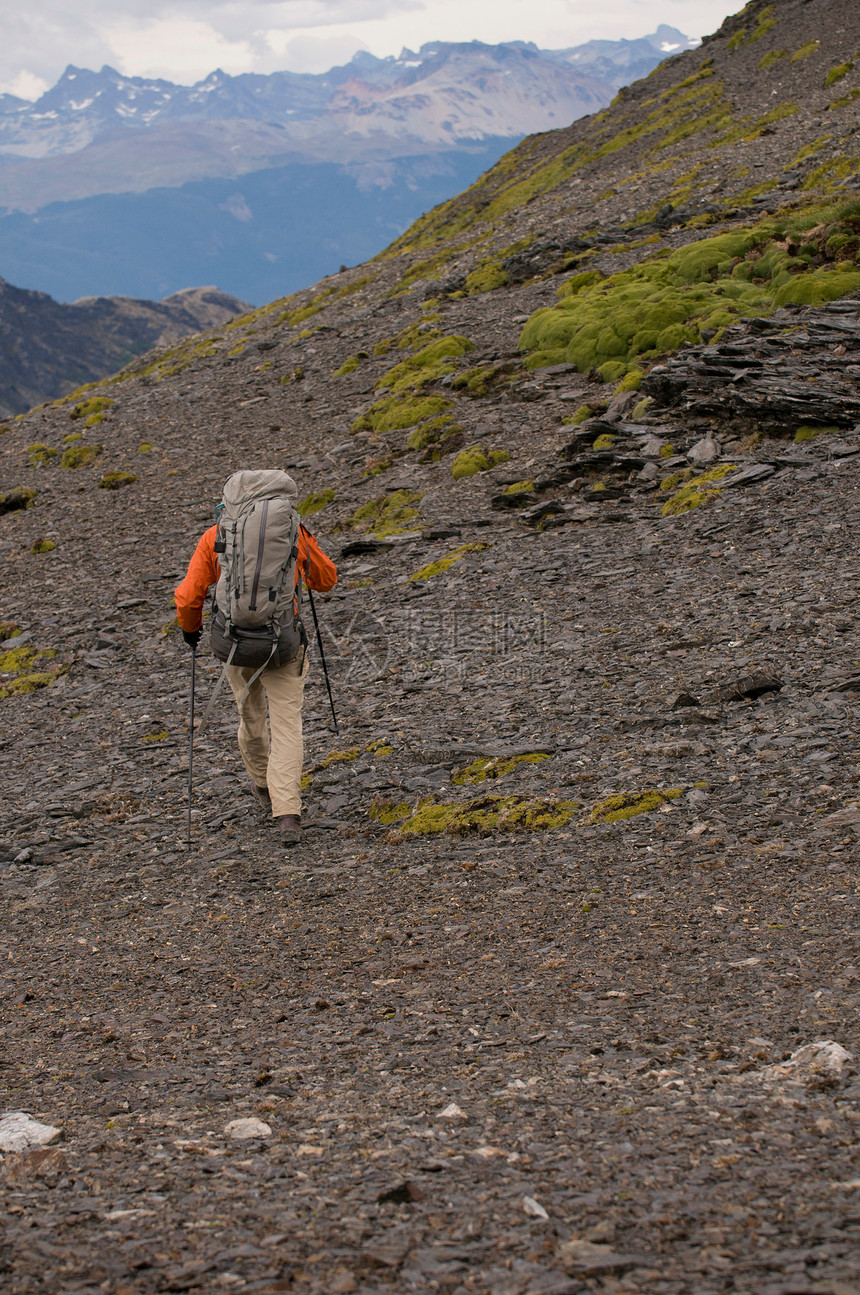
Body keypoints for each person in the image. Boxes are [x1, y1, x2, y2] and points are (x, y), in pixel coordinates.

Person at [174, 478, 337, 845]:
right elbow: (326, 580)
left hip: (236, 646)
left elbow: (188, 597)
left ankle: (263, 785)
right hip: (283, 644)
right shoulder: (292, 534)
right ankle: (288, 813)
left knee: (250, 715)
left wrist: (190, 630)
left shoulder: (215, 536)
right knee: (287, 725)